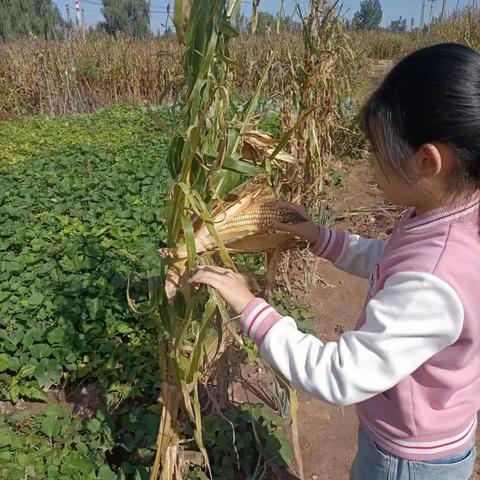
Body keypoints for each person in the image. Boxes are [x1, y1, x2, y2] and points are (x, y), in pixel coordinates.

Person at [189, 43, 480, 479]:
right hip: (426, 435)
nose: (371, 161)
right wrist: (323, 239)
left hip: (407, 459)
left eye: (377, 151)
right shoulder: (453, 219)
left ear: (427, 160)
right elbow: (396, 263)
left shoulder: (433, 275)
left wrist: (249, 306)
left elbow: (337, 375)